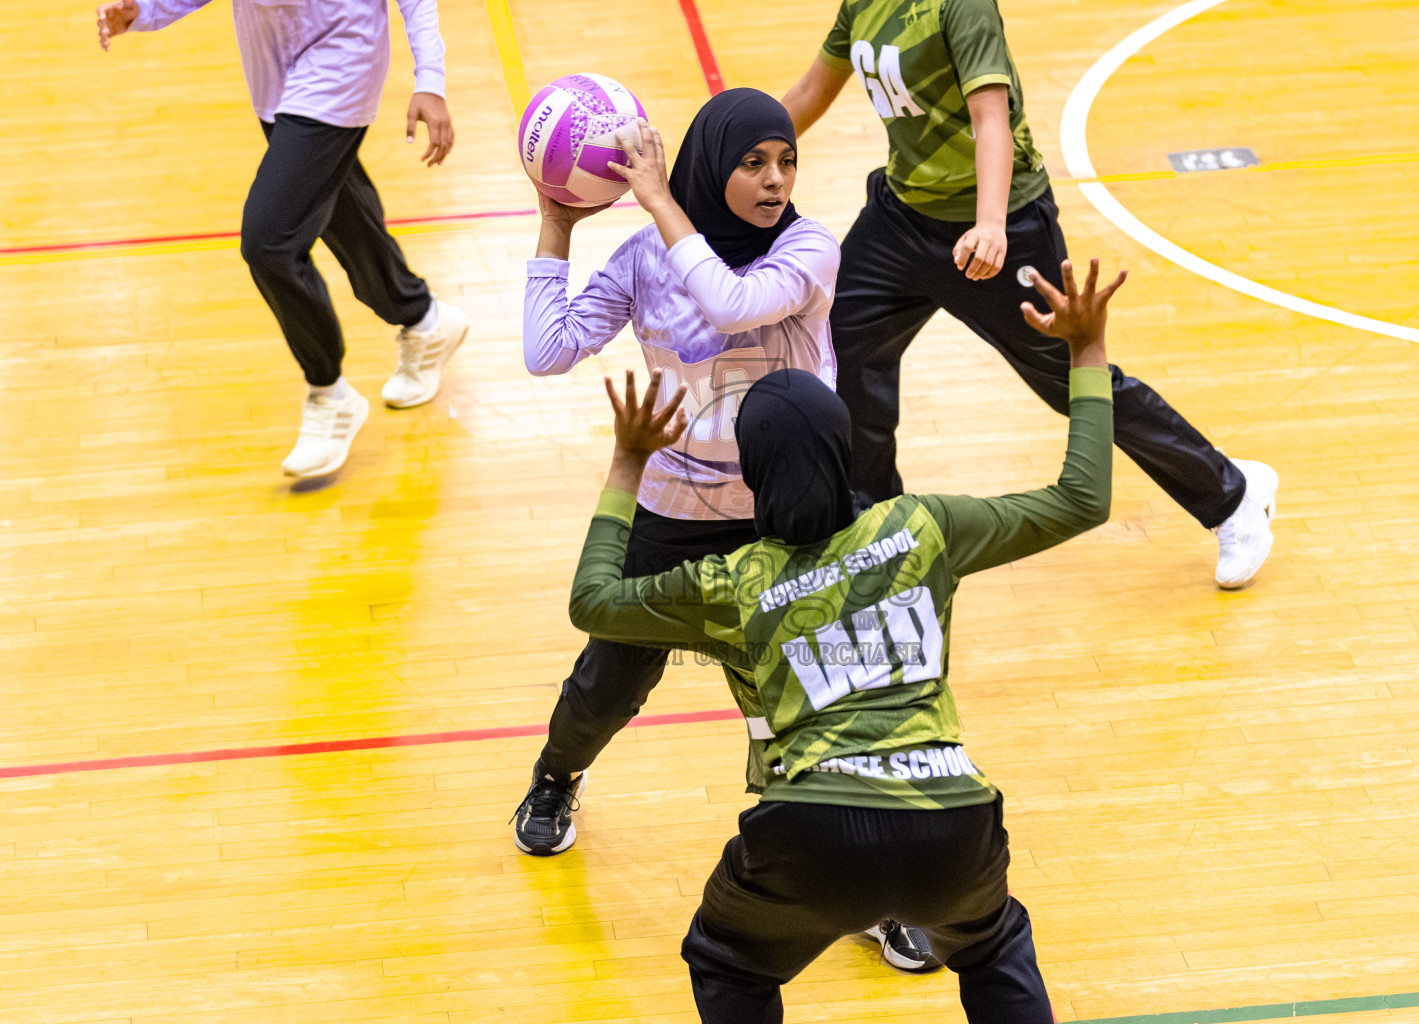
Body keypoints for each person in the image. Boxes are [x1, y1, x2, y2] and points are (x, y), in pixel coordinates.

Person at [567, 255, 1124, 1022]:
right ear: (845, 449)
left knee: (728, 961)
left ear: (756, 475)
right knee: (992, 947)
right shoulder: (922, 526)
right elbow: (1083, 499)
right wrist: (1087, 351)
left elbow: (592, 602)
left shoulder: (731, 581)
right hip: (951, 818)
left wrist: (630, 463)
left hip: (810, 830)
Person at [516, 88, 938, 973]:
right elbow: (547, 348)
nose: (776, 179)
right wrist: (555, 223)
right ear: (716, 165)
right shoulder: (641, 260)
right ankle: (556, 777)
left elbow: (734, 303)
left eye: (786, 160)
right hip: (674, 508)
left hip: (794, 518)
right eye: (753, 162)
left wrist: (661, 200)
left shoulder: (809, 248)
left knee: (836, 704)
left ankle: (878, 888)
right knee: (611, 677)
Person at [779, 0, 1277, 588]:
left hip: (1002, 225)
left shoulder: (961, 7)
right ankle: (881, 531)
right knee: (845, 352)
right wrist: (722, 156)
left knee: (1070, 383)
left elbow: (991, 116)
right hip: (902, 219)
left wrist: (988, 222)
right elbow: (813, 88)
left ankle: (1231, 494)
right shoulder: (861, 4)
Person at [96, 0, 471, 479]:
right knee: (342, 212)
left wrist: (430, 81)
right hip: (274, 71)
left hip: (341, 61)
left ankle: (328, 391)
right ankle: (423, 318)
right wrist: (144, 11)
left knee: (269, 240)